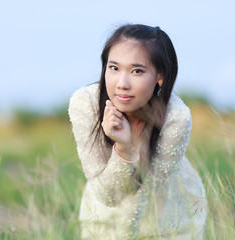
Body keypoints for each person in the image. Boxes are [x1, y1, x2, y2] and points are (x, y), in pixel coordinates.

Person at [68, 24, 207, 239]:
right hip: (104, 213)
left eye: (137, 71)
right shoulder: (86, 103)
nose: (122, 84)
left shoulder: (176, 117)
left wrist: (131, 145)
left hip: (170, 217)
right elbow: (108, 195)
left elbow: (143, 192)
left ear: (160, 76)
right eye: (114, 68)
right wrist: (123, 149)